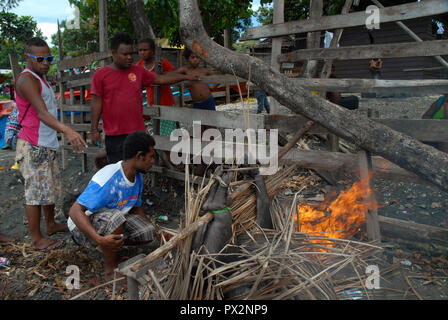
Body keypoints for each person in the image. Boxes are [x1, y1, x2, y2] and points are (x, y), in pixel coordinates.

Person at [14, 37, 87, 251]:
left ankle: (51, 224)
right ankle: (37, 239)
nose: (46, 62)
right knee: (36, 191)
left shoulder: (40, 77)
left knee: (49, 187)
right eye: (40, 58)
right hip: (32, 144)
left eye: (49, 58)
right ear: (28, 58)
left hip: (45, 144)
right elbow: (42, 113)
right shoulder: (27, 80)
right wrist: (67, 130)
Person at [90, 33, 198, 164]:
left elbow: (161, 79)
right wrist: (94, 129)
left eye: (131, 54)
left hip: (137, 133)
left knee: (138, 168)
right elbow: (96, 103)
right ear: (114, 53)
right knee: (117, 169)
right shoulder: (101, 75)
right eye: (125, 54)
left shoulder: (138, 71)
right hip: (114, 134)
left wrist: (185, 77)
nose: (130, 57)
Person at [68, 131, 156, 278]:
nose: (153, 161)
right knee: (116, 219)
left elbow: (135, 207)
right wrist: (99, 239)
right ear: (140, 156)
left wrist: (156, 229)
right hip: (81, 228)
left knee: (147, 232)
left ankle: (110, 247)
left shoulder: (137, 176)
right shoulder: (109, 178)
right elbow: (74, 211)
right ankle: (111, 269)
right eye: (151, 156)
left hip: (109, 221)